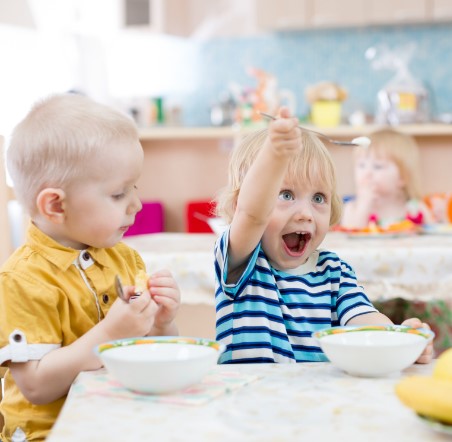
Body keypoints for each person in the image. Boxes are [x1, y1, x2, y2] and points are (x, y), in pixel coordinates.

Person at [0, 93, 180, 441]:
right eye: (118, 194)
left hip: (116, 420)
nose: (138, 204)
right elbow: (36, 386)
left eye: (135, 188)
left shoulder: (125, 259)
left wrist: (162, 322)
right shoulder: (22, 280)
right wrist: (110, 334)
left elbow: (153, 350)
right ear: (55, 205)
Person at [213, 108, 433, 364]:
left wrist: (400, 338)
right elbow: (252, 214)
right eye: (285, 194)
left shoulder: (334, 271)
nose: (306, 213)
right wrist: (275, 155)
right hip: (246, 401)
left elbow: (364, 319)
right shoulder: (241, 261)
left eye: (318, 198)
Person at [341, 128, 433, 229]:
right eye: (361, 165)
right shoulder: (352, 208)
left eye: (378, 166)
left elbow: (435, 237)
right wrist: (364, 205)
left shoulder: (416, 209)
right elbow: (351, 233)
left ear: (402, 177)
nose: (367, 173)